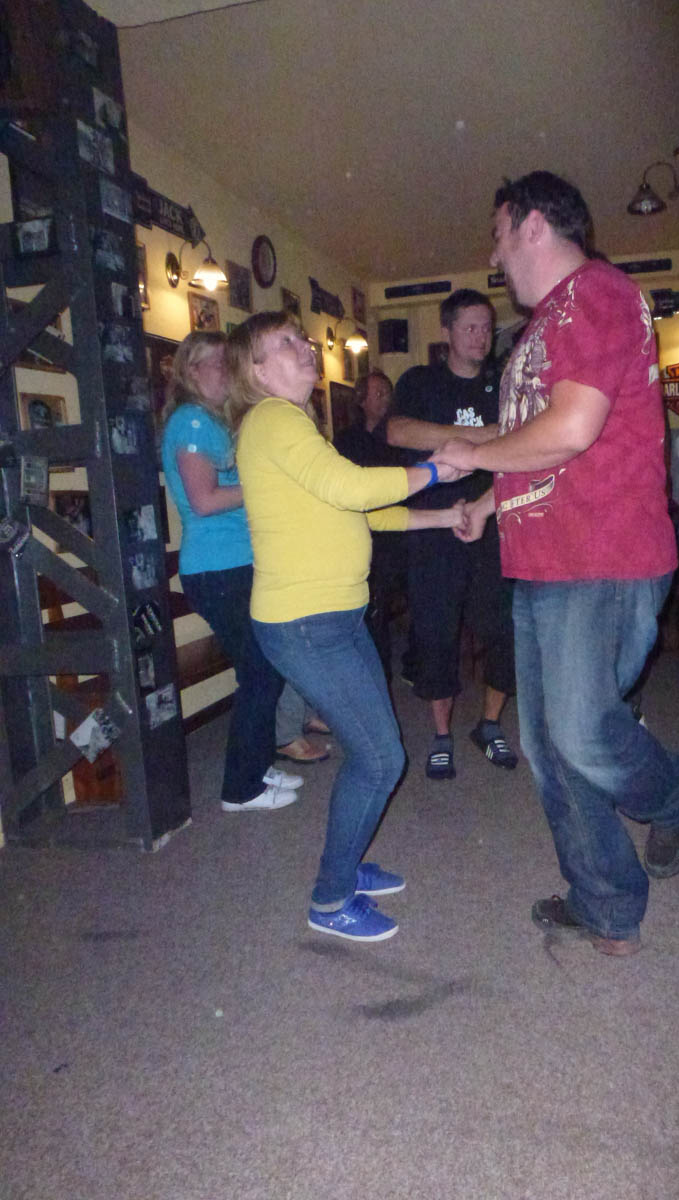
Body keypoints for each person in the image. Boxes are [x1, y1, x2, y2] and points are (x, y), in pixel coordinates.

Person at [435, 171, 679, 955]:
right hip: (542, 559)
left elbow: (573, 428)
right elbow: (534, 441)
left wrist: (473, 452)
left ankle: (676, 792)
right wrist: (490, 501)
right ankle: (606, 904)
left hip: (602, 553)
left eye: (497, 234)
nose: (493, 255)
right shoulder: (539, 328)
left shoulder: (598, 293)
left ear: (532, 226)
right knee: (551, 749)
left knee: (583, 734)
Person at [228, 312, 469, 943]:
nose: (304, 347)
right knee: (381, 757)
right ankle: (331, 898)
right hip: (308, 624)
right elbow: (352, 488)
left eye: (301, 339)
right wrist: (437, 470)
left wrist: (442, 517)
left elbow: (360, 513)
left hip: (335, 616)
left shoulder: (294, 425)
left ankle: (347, 863)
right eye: (286, 343)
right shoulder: (272, 419)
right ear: (256, 370)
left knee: (376, 750)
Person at [160, 331, 305, 811]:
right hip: (217, 568)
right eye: (218, 363)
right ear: (191, 370)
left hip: (234, 564)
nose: (228, 371)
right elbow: (203, 501)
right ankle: (240, 789)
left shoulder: (212, 422)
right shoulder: (191, 421)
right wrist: (264, 483)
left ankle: (255, 768)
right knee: (261, 672)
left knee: (264, 669)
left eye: (229, 363)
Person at [387, 288, 518, 781]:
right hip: (432, 526)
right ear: (446, 332)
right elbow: (398, 432)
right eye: (469, 327)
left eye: (486, 327)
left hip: (493, 522)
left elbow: (526, 436)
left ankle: (489, 724)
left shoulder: (505, 382)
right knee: (435, 633)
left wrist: (449, 439)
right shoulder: (420, 380)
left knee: (506, 628)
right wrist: (484, 437)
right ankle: (441, 735)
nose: (480, 337)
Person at [334, 370, 409, 681]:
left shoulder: (400, 437)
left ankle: (413, 661)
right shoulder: (346, 440)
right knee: (372, 605)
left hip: (398, 529)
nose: (385, 399)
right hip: (362, 532)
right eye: (378, 393)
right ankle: (378, 675)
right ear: (362, 400)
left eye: (387, 393)